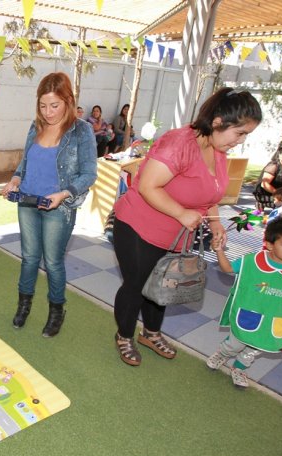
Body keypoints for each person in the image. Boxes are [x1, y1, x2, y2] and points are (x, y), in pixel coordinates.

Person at [111, 87, 262, 366]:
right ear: (218, 122)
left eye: (246, 135)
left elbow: (210, 194)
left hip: (175, 235)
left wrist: (216, 223)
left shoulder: (217, 149)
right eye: (240, 133)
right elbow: (147, 186)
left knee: (164, 285)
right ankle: (124, 336)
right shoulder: (179, 142)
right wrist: (180, 212)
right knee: (136, 286)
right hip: (138, 227)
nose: (240, 141)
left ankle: (151, 333)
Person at [1, 72, 97, 338]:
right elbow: (25, 163)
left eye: (54, 105)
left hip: (59, 207)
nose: (48, 112)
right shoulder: (36, 126)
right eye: (43, 106)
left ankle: (56, 311)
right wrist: (15, 180)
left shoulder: (82, 131)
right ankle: (24, 305)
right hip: (28, 202)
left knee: (53, 262)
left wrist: (64, 194)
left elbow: (89, 173)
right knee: (29, 258)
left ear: (68, 101)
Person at [207, 218, 282, 388]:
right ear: (270, 245)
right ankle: (222, 354)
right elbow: (227, 269)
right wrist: (219, 250)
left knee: (258, 347)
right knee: (235, 344)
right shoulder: (251, 261)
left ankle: (239, 367)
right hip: (249, 314)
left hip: (275, 319)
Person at [253, 144, 282, 210]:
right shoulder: (273, 166)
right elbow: (264, 184)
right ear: (280, 154)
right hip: (267, 193)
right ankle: (261, 204)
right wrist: (279, 194)